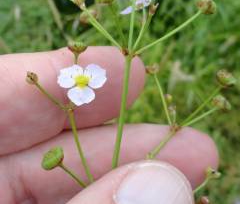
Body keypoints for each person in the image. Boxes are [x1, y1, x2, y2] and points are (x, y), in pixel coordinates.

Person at [0, 47, 218, 203]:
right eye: (79, 79)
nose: (81, 80)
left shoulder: (89, 79)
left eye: (83, 79)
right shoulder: (74, 84)